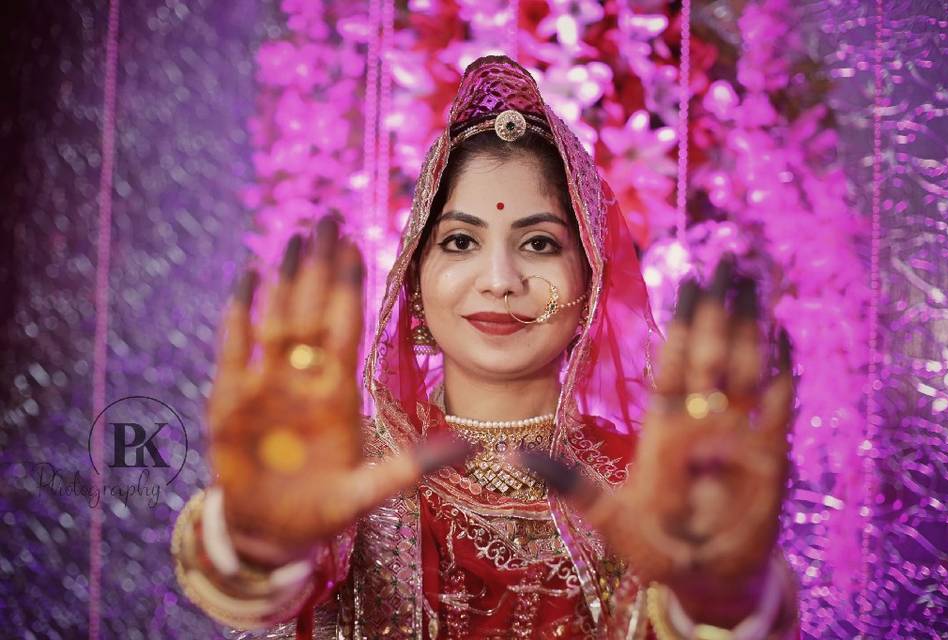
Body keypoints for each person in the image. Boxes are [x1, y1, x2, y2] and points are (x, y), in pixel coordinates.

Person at [171, 55, 799, 639]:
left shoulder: (653, 481)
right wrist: (255, 544)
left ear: (591, 282)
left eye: (540, 244)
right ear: (415, 279)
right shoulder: (338, 471)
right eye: (460, 243)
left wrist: (719, 601)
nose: (500, 281)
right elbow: (269, 594)